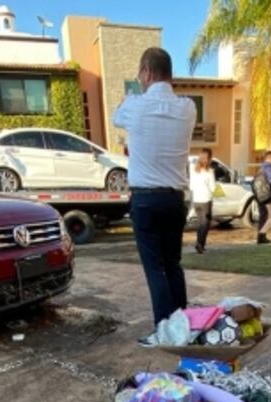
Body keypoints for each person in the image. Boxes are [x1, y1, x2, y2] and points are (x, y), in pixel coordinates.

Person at [113, 47, 197, 346]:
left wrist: (136, 90)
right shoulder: (188, 107)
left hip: (146, 200)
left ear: (146, 72)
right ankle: (182, 325)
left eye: (141, 75)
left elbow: (115, 117)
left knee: (155, 268)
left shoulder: (135, 106)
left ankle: (165, 331)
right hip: (175, 200)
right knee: (173, 264)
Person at [190, 148, 216, 254]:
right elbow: (213, 188)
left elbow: (191, 186)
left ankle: (200, 243)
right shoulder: (209, 171)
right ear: (209, 159)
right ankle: (200, 244)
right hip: (206, 200)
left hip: (196, 199)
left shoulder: (193, 170)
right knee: (205, 224)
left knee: (200, 223)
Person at [254, 152, 271, 244]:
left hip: (259, 195)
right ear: (270, 158)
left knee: (263, 216)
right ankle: (261, 234)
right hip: (267, 195)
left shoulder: (261, 168)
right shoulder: (268, 168)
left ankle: (261, 238)